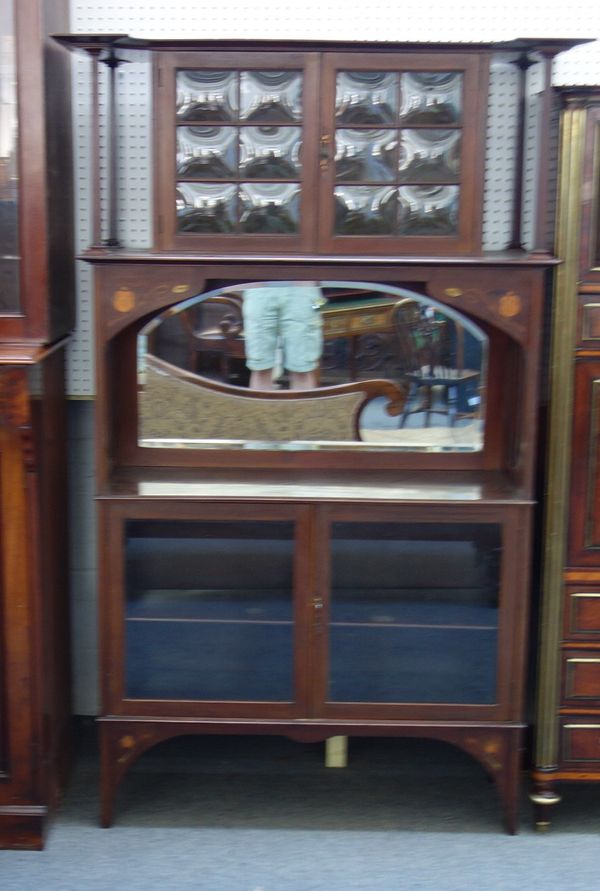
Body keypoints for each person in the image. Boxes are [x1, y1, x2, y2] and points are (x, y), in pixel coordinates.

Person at [241, 282, 324, 390]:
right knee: (260, 366)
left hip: (303, 285)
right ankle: (261, 407)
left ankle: (302, 407)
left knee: (302, 368)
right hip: (258, 284)